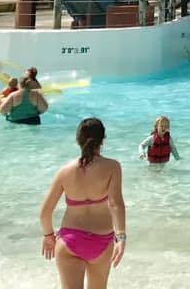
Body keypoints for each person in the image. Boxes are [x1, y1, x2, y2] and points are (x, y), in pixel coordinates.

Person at [39, 117, 126, 287]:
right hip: (102, 241)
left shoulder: (64, 172)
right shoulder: (112, 167)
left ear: (78, 140)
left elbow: (45, 213)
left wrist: (49, 236)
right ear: (103, 139)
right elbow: (116, 204)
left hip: (69, 242)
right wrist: (121, 237)